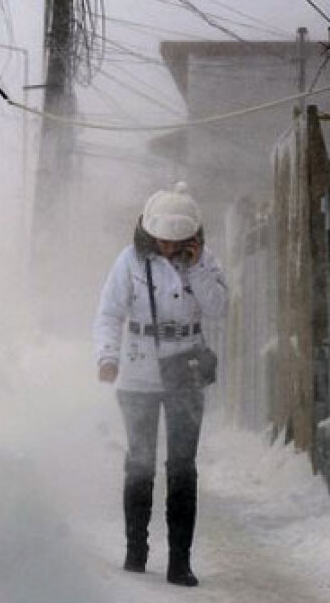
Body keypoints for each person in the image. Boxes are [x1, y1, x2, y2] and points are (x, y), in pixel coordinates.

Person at [92, 182, 228, 587]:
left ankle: (180, 562)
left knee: (183, 467)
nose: (169, 249)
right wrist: (107, 356)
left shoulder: (205, 263)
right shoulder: (128, 262)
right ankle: (136, 552)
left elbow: (219, 308)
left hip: (185, 369)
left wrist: (200, 266)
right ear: (150, 234)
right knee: (140, 462)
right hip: (137, 372)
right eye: (163, 241)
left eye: (178, 242)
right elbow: (108, 313)